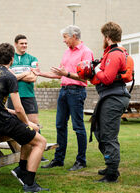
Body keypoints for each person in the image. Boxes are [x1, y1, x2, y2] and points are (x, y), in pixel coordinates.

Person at [51, 22, 130, 182]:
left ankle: (112, 173)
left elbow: (106, 78)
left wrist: (96, 69)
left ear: (107, 37)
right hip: (108, 97)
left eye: (103, 36)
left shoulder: (115, 54)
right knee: (99, 131)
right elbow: (100, 78)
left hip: (113, 98)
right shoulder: (111, 53)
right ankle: (110, 166)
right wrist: (95, 70)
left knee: (108, 135)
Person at [0, 43, 49, 192]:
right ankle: (29, 184)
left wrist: (14, 115)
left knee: (29, 135)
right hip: (0, 122)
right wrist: (27, 123)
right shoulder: (10, 76)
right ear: (12, 58)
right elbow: (19, 108)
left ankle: (21, 169)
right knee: (40, 141)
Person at [32, 25, 93, 171]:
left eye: (65, 37)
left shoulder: (86, 52)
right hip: (64, 91)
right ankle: (59, 159)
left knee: (78, 127)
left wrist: (66, 74)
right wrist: (40, 74)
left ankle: (81, 161)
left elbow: (86, 78)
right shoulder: (67, 52)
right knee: (60, 125)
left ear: (74, 36)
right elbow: (60, 73)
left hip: (77, 91)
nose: (64, 40)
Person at [7, 34, 48, 162]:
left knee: (34, 124)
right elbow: (8, 77)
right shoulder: (10, 59)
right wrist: (26, 73)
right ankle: (17, 150)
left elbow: (33, 77)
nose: (24, 45)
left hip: (29, 96)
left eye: (26, 43)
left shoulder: (32, 58)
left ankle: (38, 153)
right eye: (21, 43)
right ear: (16, 44)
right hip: (14, 96)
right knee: (12, 124)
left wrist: (17, 75)